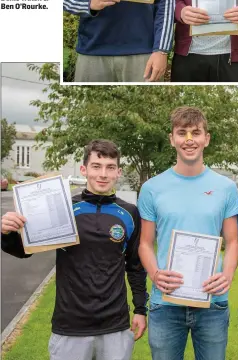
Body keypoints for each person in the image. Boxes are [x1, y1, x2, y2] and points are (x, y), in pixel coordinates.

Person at [1, 140, 147, 360]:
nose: (103, 174)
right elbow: (24, 250)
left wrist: (140, 309)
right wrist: (8, 232)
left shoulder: (129, 213)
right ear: (84, 169)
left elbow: (135, 266)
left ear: (118, 172)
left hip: (115, 325)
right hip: (70, 325)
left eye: (110, 167)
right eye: (96, 166)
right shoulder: (64, 208)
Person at [138, 107, 238, 360]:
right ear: (172, 139)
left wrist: (226, 276)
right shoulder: (152, 188)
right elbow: (145, 243)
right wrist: (155, 274)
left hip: (212, 301)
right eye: (182, 133)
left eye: (196, 132)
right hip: (166, 302)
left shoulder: (225, 187)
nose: (189, 139)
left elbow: (233, 241)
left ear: (207, 138)